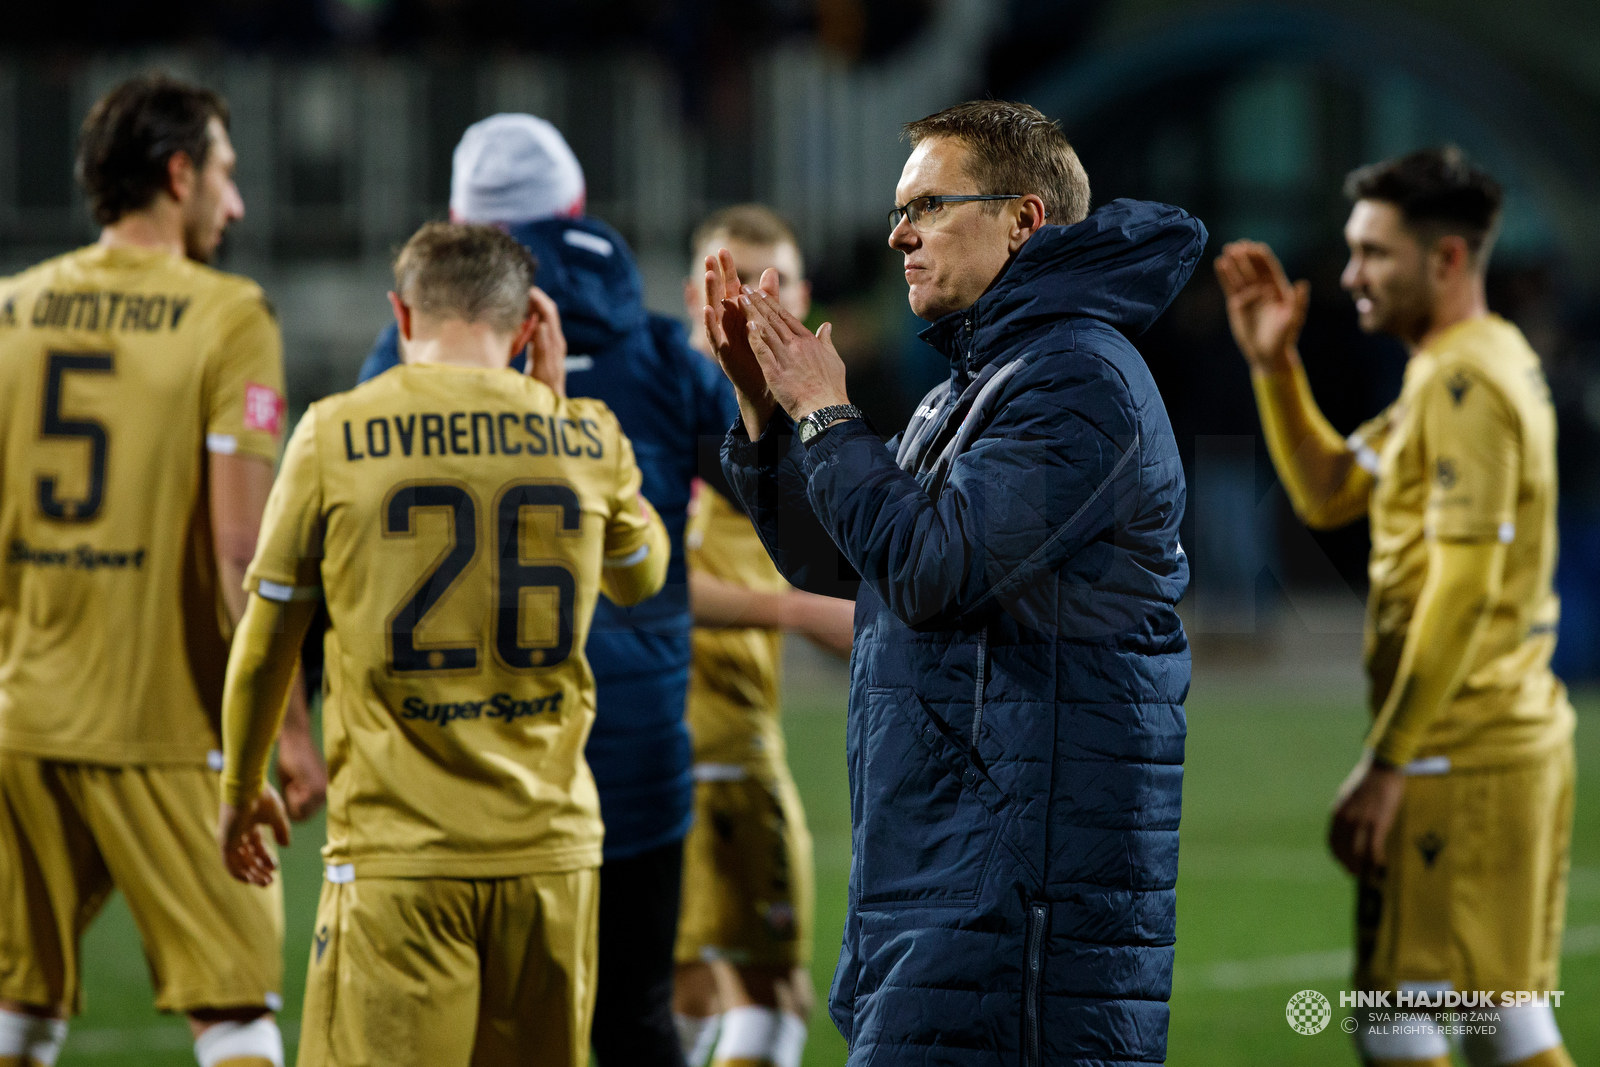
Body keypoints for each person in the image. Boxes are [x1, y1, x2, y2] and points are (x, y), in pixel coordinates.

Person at [704, 100, 1201, 1066]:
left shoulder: (1079, 381)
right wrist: (768, 415)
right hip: (948, 873)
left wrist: (828, 412)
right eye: (901, 210)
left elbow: (934, 568)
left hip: (1018, 905)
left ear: (1024, 219)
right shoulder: (984, 380)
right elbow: (851, 560)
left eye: (929, 204)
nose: (900, 233)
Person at [217, 221, 670, 1067]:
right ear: (530, 327)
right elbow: (643, 574)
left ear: (399, 313)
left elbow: (265, 643)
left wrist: (240, 786)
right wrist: (562, 414)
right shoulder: (587, 434)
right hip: (551, 862)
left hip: (401, 862)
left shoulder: (334, 433)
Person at [357, 113, 739, 1066]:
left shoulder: (392, 366)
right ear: (577, 213)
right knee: (634, 1024)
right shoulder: (662, 358)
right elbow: (809, 526)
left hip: (463, 763)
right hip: (638, 751)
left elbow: (337, 563)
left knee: (477, 1040)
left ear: (459, 226)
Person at [1217, 148, 1576, 1067]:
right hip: (1491, 745)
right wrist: (1275, 367)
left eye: (1374, 253)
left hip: (1459, 750)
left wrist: (1390, 759)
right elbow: (1331, 488)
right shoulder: (1461, 370)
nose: (1349, 276)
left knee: (1398, 1022)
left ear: (1446, 259)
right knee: (1506, 1024)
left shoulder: (1464, 386)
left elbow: (1465, 585)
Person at [0, 72, 325, 1067]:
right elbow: (241, 550)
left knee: (18, 1010)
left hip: (22, 719)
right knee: (234, 1013)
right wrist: (290, 727)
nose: (235, 203)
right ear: (178, 172)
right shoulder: (229, 316)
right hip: (169, 729)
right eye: (224, 173)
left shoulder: (10, 308)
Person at [671, 205, 855, 1067]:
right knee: (770, 996)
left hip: (686, 753)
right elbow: (632, 581)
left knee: (688, 992)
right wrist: (793, 611)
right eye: (733, 279)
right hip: (714, 754)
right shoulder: (670, 414)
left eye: (770, 281)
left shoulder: (805, 423)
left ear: (804, 295)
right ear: (695, 293)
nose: (751, 299)